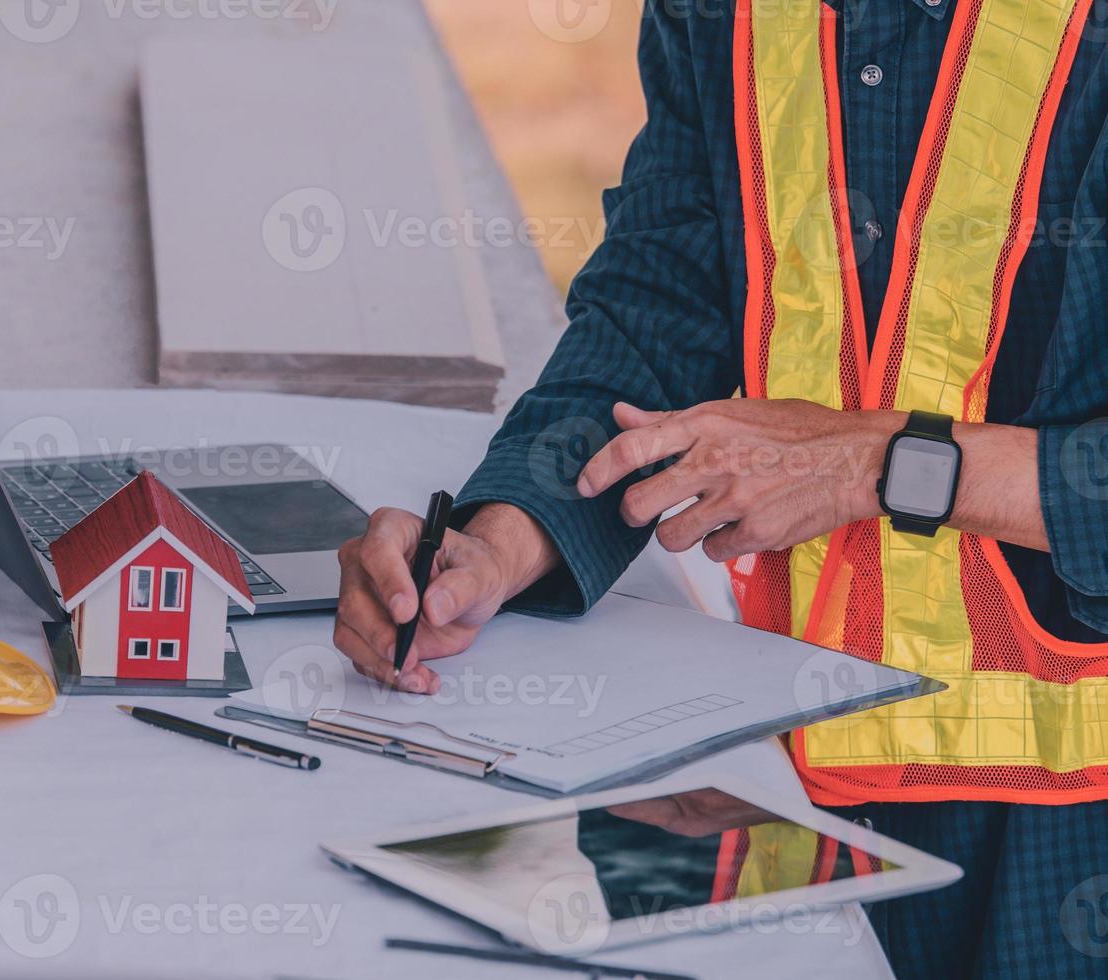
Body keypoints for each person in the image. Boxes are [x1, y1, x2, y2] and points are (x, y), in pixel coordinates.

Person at [332, 2, 1108, 977]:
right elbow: (661, 301)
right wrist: (503, 538)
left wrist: (872, 461)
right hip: (786, 782)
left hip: (1068, 829)